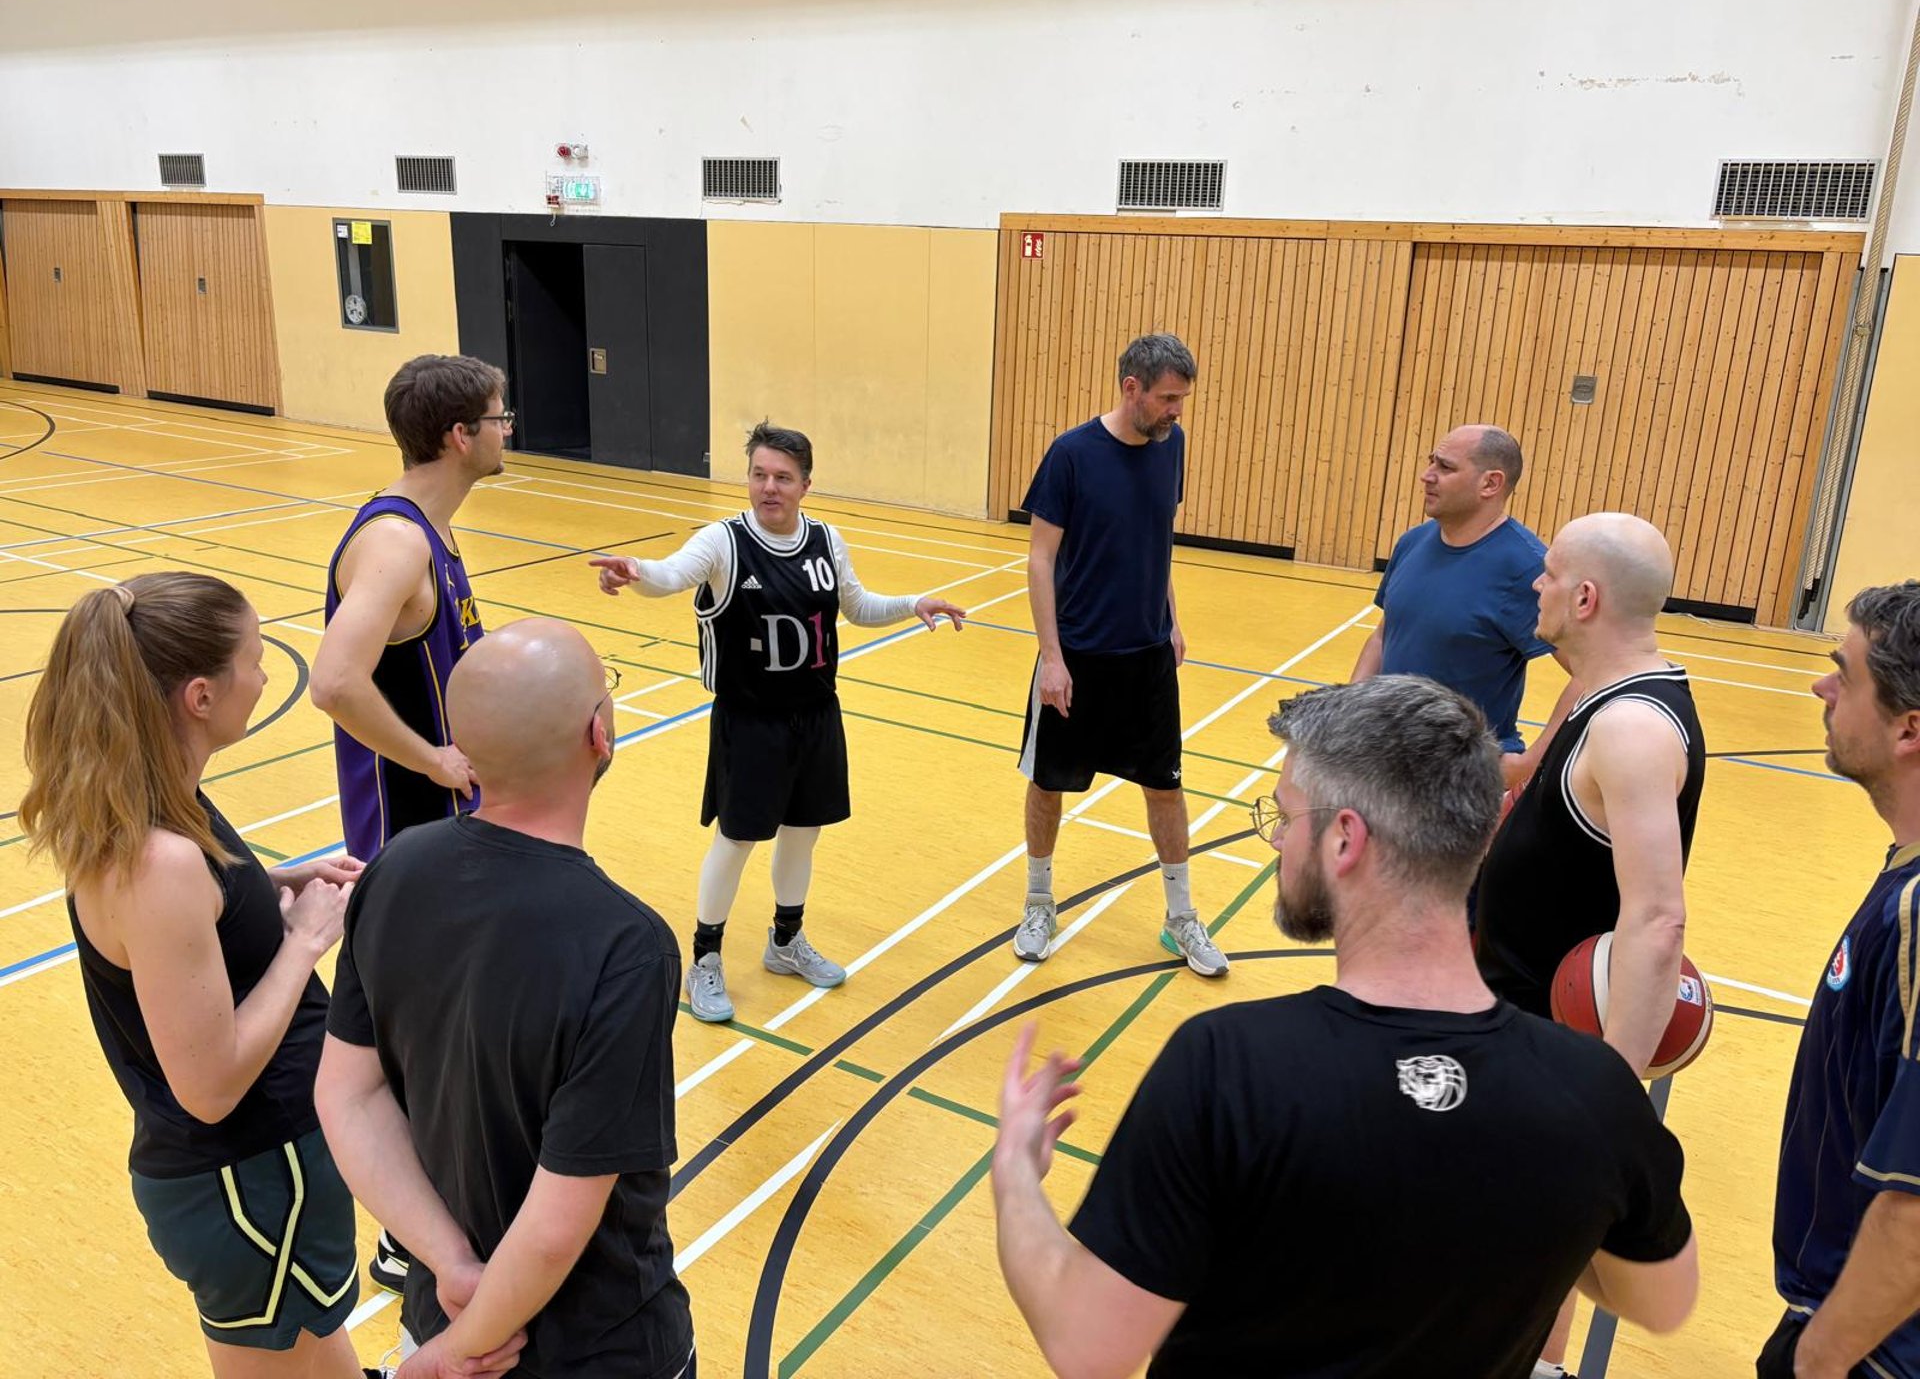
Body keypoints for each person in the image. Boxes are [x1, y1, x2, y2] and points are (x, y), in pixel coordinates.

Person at [991, 676, 1698, 1377]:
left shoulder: (1226, 1068)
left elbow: (1089, 1348)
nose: (1276, 844)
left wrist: (1016, 1174)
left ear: (1344, 840)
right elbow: (1665, 1304)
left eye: (1286, 816)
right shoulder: (1592, 1092)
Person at [315, 619, 693, 1379]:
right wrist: (461, 1353)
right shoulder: (628, 945)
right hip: (588, 1349)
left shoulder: (394, 869)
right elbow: (557, 1226)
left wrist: (452, 1270)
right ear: (600, 733)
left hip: (441, 1308)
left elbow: (345, 1097)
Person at [18, 573, 366, 1379]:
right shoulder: (160, 857)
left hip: (262, 1174)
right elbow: (208, 1085)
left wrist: (267, 887)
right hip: (247, 1185)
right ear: (202, 696)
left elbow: (194, 918)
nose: (269, 673)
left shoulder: (162, 803)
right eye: (254, 659)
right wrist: (304, 941)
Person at [590, 422, 966, 1023]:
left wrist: (911, 604)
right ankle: (705, 959)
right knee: (737, 839)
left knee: (802, 833)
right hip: (751, 720)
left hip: (816, 714)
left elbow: (857, 606)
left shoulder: (825, 539)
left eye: (782, 478)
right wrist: (634, 570)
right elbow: (671, 574)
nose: (769, 487)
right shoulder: (723, 541)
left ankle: (785, 942)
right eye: (760, 475)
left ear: (805, 485)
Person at [1473, 511, 1704, 1377]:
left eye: (1548, 573)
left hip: (1553, 1048)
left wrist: (1610, 1096)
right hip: (1517, 1028)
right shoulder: (1600, 700)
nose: (1535, 585)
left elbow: (1658, 920)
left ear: (1585, 595)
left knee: (1528, 1242)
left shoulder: (1632, 729)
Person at [312, 352, 503, 1293]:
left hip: (442, 840)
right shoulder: (394, 545)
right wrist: (431, 759)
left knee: (438, 1047)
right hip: (408, 843)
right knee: (417, 1057)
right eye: (501, 418)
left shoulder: (429, 531)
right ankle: (404, 1239)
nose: (511, 431)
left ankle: (408, 1229)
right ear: (460, 435)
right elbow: (333, 679)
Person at [1013, 332, 1226, 978]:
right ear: (1130, 387)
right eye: (1166, 399)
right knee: (1049, 785)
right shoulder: (1071, 455)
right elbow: (1040, 558)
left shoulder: (1172, 446)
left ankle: (1181, 916)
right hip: (1077, 655)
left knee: (1165, 787)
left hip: (1147, 657)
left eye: (1182, 400)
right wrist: (1051, 657)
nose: (1176, 412)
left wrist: (1172, 620)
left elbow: (1155, 539)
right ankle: (1039, 902)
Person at [1760, 581, 1920, 1379]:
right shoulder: (1904, 879)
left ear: (1909, 728)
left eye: (1843, 673)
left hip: (1871, 1351)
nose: (1821, 688)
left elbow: (1917, 1205)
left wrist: (1820, 1360)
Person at [1351, 424, 1572, 789]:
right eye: (1430, 462)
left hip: (1462, 782)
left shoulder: (1528, 568)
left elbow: (1590, 672)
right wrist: (1352, 706)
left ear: (1490, 484)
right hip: (1389, 766)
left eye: (1445, 467)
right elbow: (1384, 635)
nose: (1427, 475)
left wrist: (1532, 761)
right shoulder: (1412, 542)